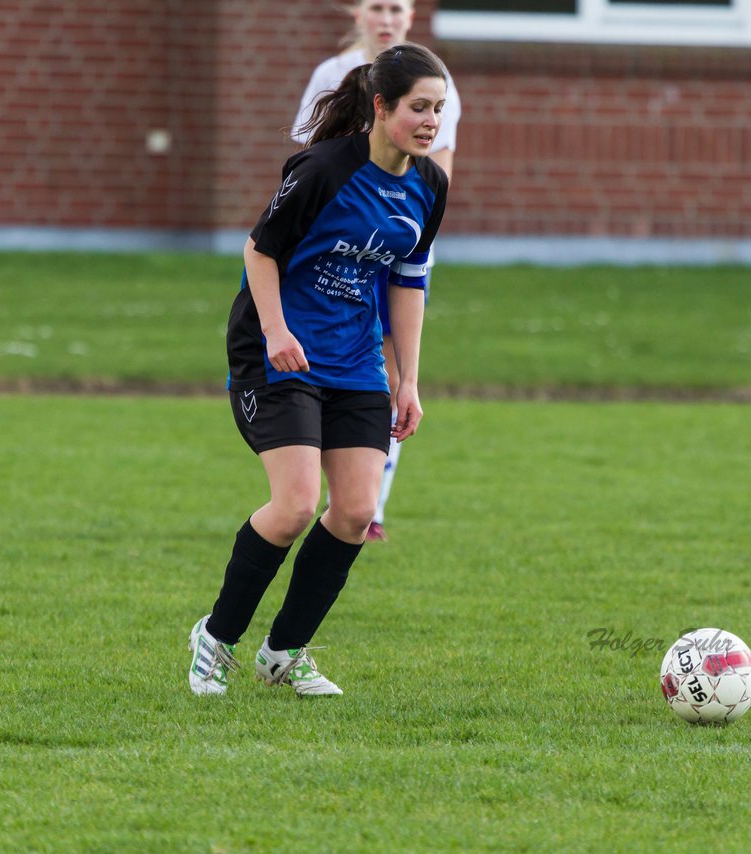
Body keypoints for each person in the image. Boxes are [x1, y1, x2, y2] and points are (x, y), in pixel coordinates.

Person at [188, 43, 451, 697]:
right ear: (381, 107)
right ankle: (215, 640)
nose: (430, 122)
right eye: (419, 108)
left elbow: (408, 281)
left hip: (355, 360)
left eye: (439, 109)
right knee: (297, 504)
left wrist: (408, 377)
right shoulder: (324, 170)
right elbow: (259, 251)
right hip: (276, 354)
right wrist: (276, 331)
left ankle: (284, 654)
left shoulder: (429, 186)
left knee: (357, 512)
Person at [292, 0, 461, 542]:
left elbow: (438, 169)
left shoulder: (434, 81)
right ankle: (309, 488)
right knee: (326, 361)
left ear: (412, 17)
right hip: (340, 252)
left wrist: (409, 227)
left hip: (399, 245)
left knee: (391, 377)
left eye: (397, 8)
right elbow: (307, 165)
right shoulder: (329, 73)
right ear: (357, 14)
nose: (387, 18)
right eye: (377, 7)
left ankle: (371, 507)